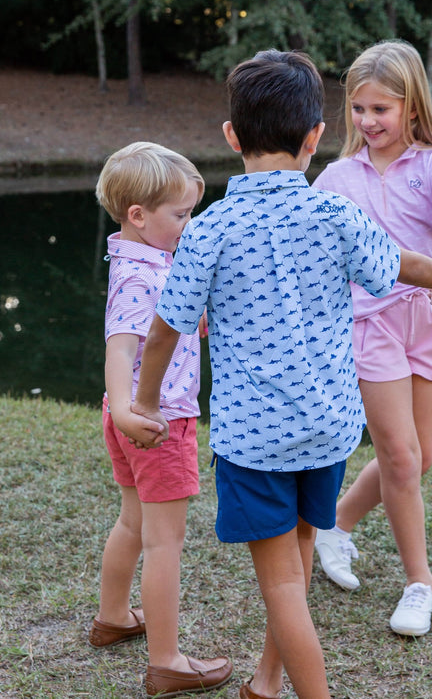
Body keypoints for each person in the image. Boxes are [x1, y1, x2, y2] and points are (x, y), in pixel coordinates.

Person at [128, 50, 432, 699]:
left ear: (231, 137)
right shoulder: (335, 214)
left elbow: (168, 325)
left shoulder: (211, 227)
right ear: (315, 138)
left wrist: (145, 400)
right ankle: (265, 680)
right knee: (302, 552)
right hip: (329, 427)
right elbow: (396, 262)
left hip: (256, 440)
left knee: (282, 583)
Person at [313, 39, 432, 638]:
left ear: (411, 106)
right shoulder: (336, 177)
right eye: (358, 109)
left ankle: (334, 523)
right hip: (368, 324)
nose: (367, 122)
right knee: (400, 456)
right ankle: (420, 584)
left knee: (420, 456)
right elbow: (310, 247)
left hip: (426, 318)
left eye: (380, 110)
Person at [89, 141, 233, 697]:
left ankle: (114, 617)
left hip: (128, 418)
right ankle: (168, 660)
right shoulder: (139, 277)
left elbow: (157, 327)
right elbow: (120, 346)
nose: (189, 224)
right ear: (138, 215)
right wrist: (129, 408)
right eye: (181, 214)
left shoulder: (139, 258)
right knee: (165, 542)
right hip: (157, 422)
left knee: (133, 523)